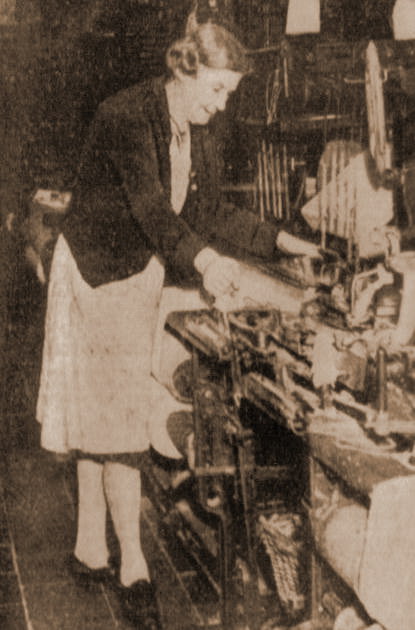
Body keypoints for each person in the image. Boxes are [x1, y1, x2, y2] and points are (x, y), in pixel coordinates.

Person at [36, 20, 319, 629]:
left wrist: (285, 241)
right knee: (118, 425)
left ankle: (90, 549)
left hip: (139, 269)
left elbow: (209, 209)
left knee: (101, 411)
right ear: (186, 70)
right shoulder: (125, 117)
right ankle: (134, 566)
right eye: (216, 91)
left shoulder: (197, 131)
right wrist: (211, 264)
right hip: (94, 270)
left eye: (228, 96)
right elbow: (151, 210)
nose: (220, 107)